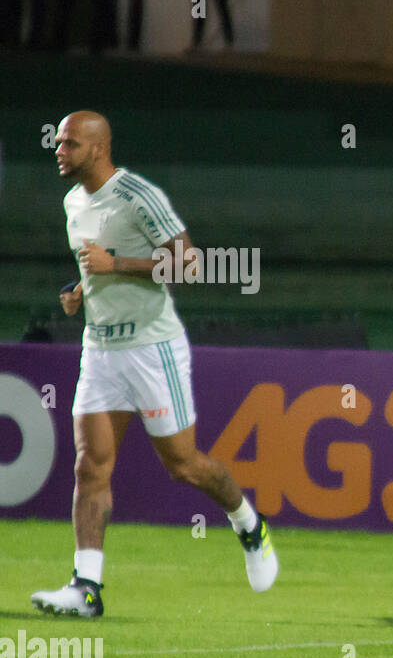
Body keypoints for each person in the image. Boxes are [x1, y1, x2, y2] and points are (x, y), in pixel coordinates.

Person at [31, 111, 277, 618]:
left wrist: (115, 265)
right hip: (100, 349)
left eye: (69, 143)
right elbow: (96, 267)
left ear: (98, 149)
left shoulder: (138, 196)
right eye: (58, 142)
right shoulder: (73, 201)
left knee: (183, 464)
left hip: (151, 347)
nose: (59, 150)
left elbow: (190, 265)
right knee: (90, 466)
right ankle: (87, 588)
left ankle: (248, 524)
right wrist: (81, 291)